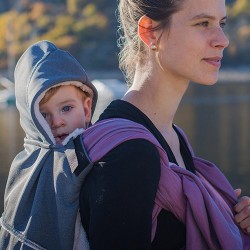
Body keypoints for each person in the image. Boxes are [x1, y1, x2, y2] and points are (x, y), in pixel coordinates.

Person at [79, 0, 250, 249]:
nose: (222, 40)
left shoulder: (173, 136)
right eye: (203, 23)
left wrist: (233, 222)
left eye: (221, 24)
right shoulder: (129, 154)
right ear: (149, 32)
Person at [0, 40, 97, 249]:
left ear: (86, 108)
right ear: (29, 117)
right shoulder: (24, 167)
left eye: (66, 108)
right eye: (43, 114)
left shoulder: (99, 154)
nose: (56, 122)